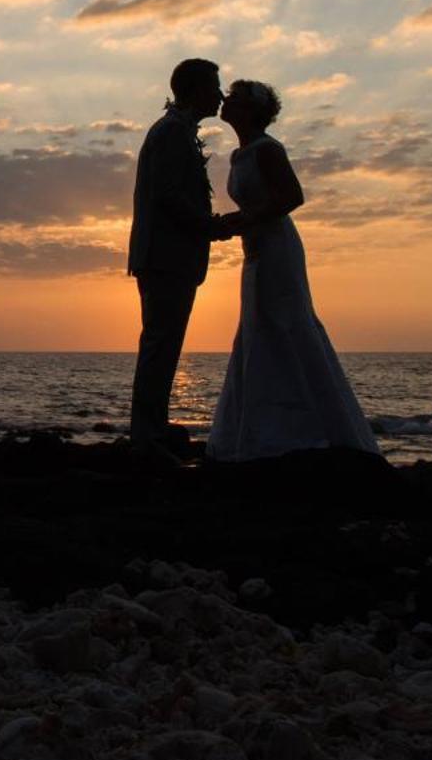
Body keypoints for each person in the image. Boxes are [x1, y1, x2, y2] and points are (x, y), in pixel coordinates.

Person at [204, 79, 378, 461]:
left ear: (251, 109)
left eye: (234, 97)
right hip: (254, 251)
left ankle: (305, 429)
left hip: (277, 249)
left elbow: (292, 197)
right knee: (258, 326)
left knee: (284, 323)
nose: (225, 100)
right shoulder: (240, 154)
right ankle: (260, 427)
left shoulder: (268, 150)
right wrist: (237, 225)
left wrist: (238, 222)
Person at [126, 57, 228, 462]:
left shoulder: (177, 131)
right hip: (166, 256)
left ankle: (152, 429)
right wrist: (210, 226)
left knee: (163, 345)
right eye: (214, 86)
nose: (220, 95)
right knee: (160, 346)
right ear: (195, 89)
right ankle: (147, 439)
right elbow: (167, 195)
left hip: (171, 256)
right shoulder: (171, 132)